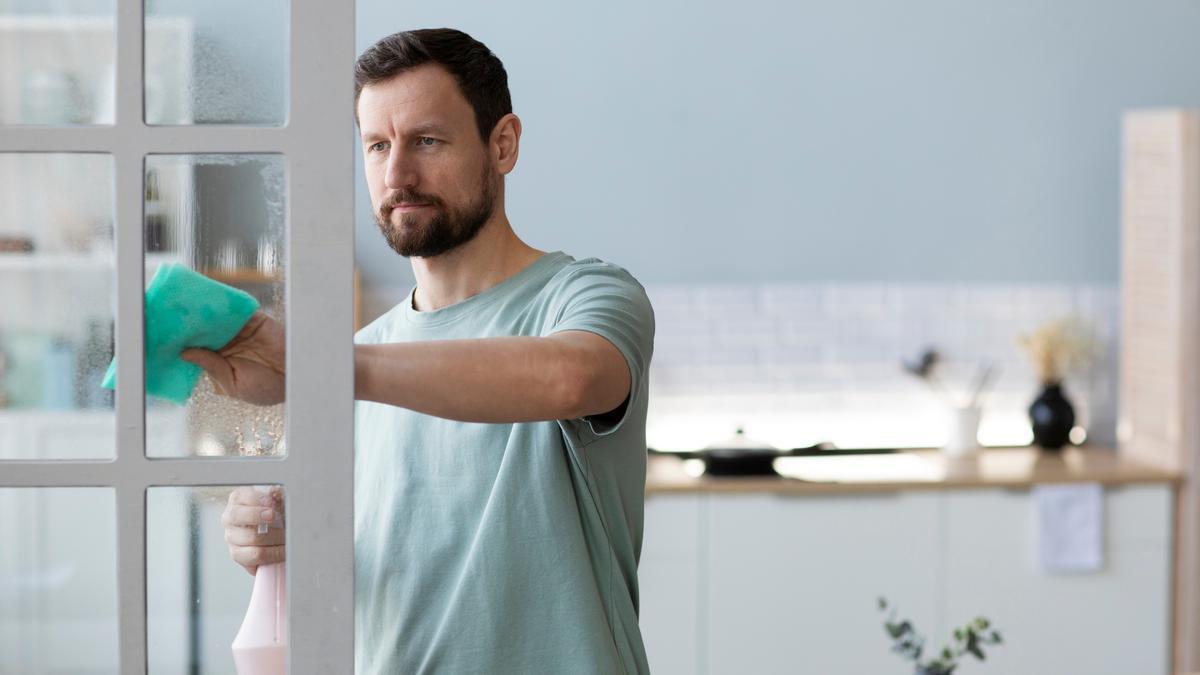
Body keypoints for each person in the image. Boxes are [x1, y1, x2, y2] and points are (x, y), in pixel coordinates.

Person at [186, 28, 655, 674]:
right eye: (377, 146)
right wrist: (268, 532)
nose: (397, 174)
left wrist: (325, 367)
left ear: (504, 144)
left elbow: (569, 378)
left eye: (427, 141)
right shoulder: (358, 361)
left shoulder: (588, 296)